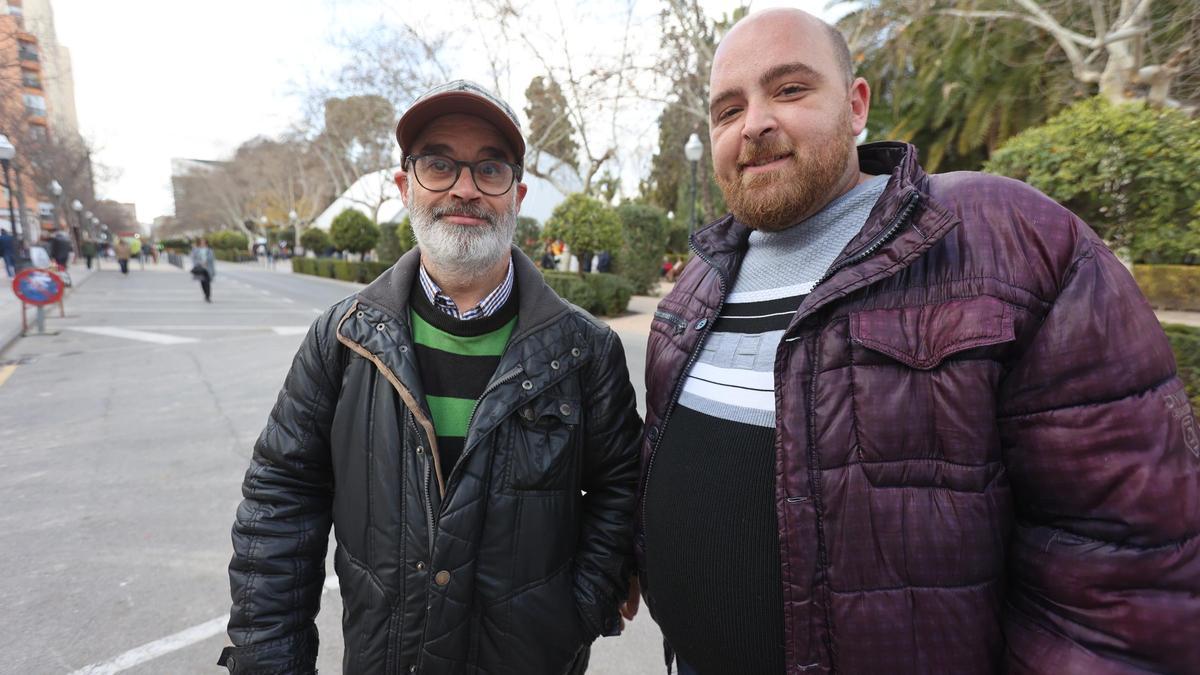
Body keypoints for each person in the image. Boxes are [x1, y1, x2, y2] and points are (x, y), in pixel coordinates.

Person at [634, 8, 1200, 674]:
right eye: (728, 109)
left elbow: (1125, 570)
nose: (754, 122)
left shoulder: (1009, 241)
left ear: (856, 104)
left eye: (789, 90)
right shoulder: (698, 281)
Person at [219, 79, 642, 675]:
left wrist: (578, 613)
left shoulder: (586, 350)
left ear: (516, 193)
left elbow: (619, 491)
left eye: (489, 169)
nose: (464, 189)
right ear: (404, 186)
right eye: (439, 165)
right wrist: (269, 658)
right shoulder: (343, 340)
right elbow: (281, 497)